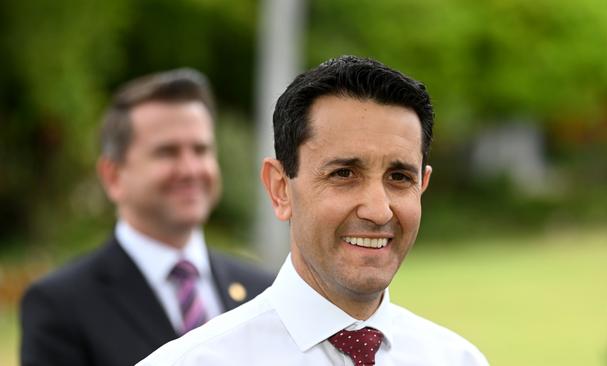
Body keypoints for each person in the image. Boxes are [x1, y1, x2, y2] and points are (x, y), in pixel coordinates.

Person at [138, 56, 489, 365]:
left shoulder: (458, 359)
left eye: (399, 177)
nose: (378, 210)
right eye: (344, 174)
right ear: (280, 188)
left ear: (422, 187)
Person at [19, 68, 274, 366]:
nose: (191, 169)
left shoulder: (262, 290)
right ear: (113, 176)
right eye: (167, 152)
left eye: (201, 150)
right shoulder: (60, 307)